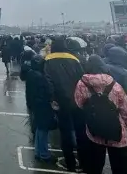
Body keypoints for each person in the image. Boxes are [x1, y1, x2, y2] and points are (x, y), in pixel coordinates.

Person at [74, 55, 127, 174]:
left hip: (94, 131)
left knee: (94, 166)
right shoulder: (115, 85)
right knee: (120, 167)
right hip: (117, 132)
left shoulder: (82, 84)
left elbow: (79, 103)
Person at [44, 38, 87, 172]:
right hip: (78, 101)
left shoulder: (48, 60)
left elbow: (48, 81)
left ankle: (70, 163)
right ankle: (84, 161)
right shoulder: (74, 59)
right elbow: (82, 79)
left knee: (65, 133)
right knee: (81, 132)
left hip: (61, 101)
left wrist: (52, 98)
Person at [25, 55, 57, 164]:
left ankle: (38, 152)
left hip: (35, 105)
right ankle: (44, 154)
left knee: (39, 128)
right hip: (43, 105)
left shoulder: (31, 73)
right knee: (43, 129)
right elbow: (47, 91)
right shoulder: (40, 77)